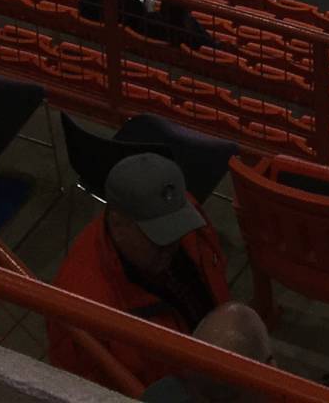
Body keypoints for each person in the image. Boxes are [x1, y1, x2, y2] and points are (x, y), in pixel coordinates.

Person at [45, 152, 232, 393]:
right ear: (118, 223)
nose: (172, 244)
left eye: (177, 228)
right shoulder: (79, 309)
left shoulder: (180, 211)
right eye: (157, 236)